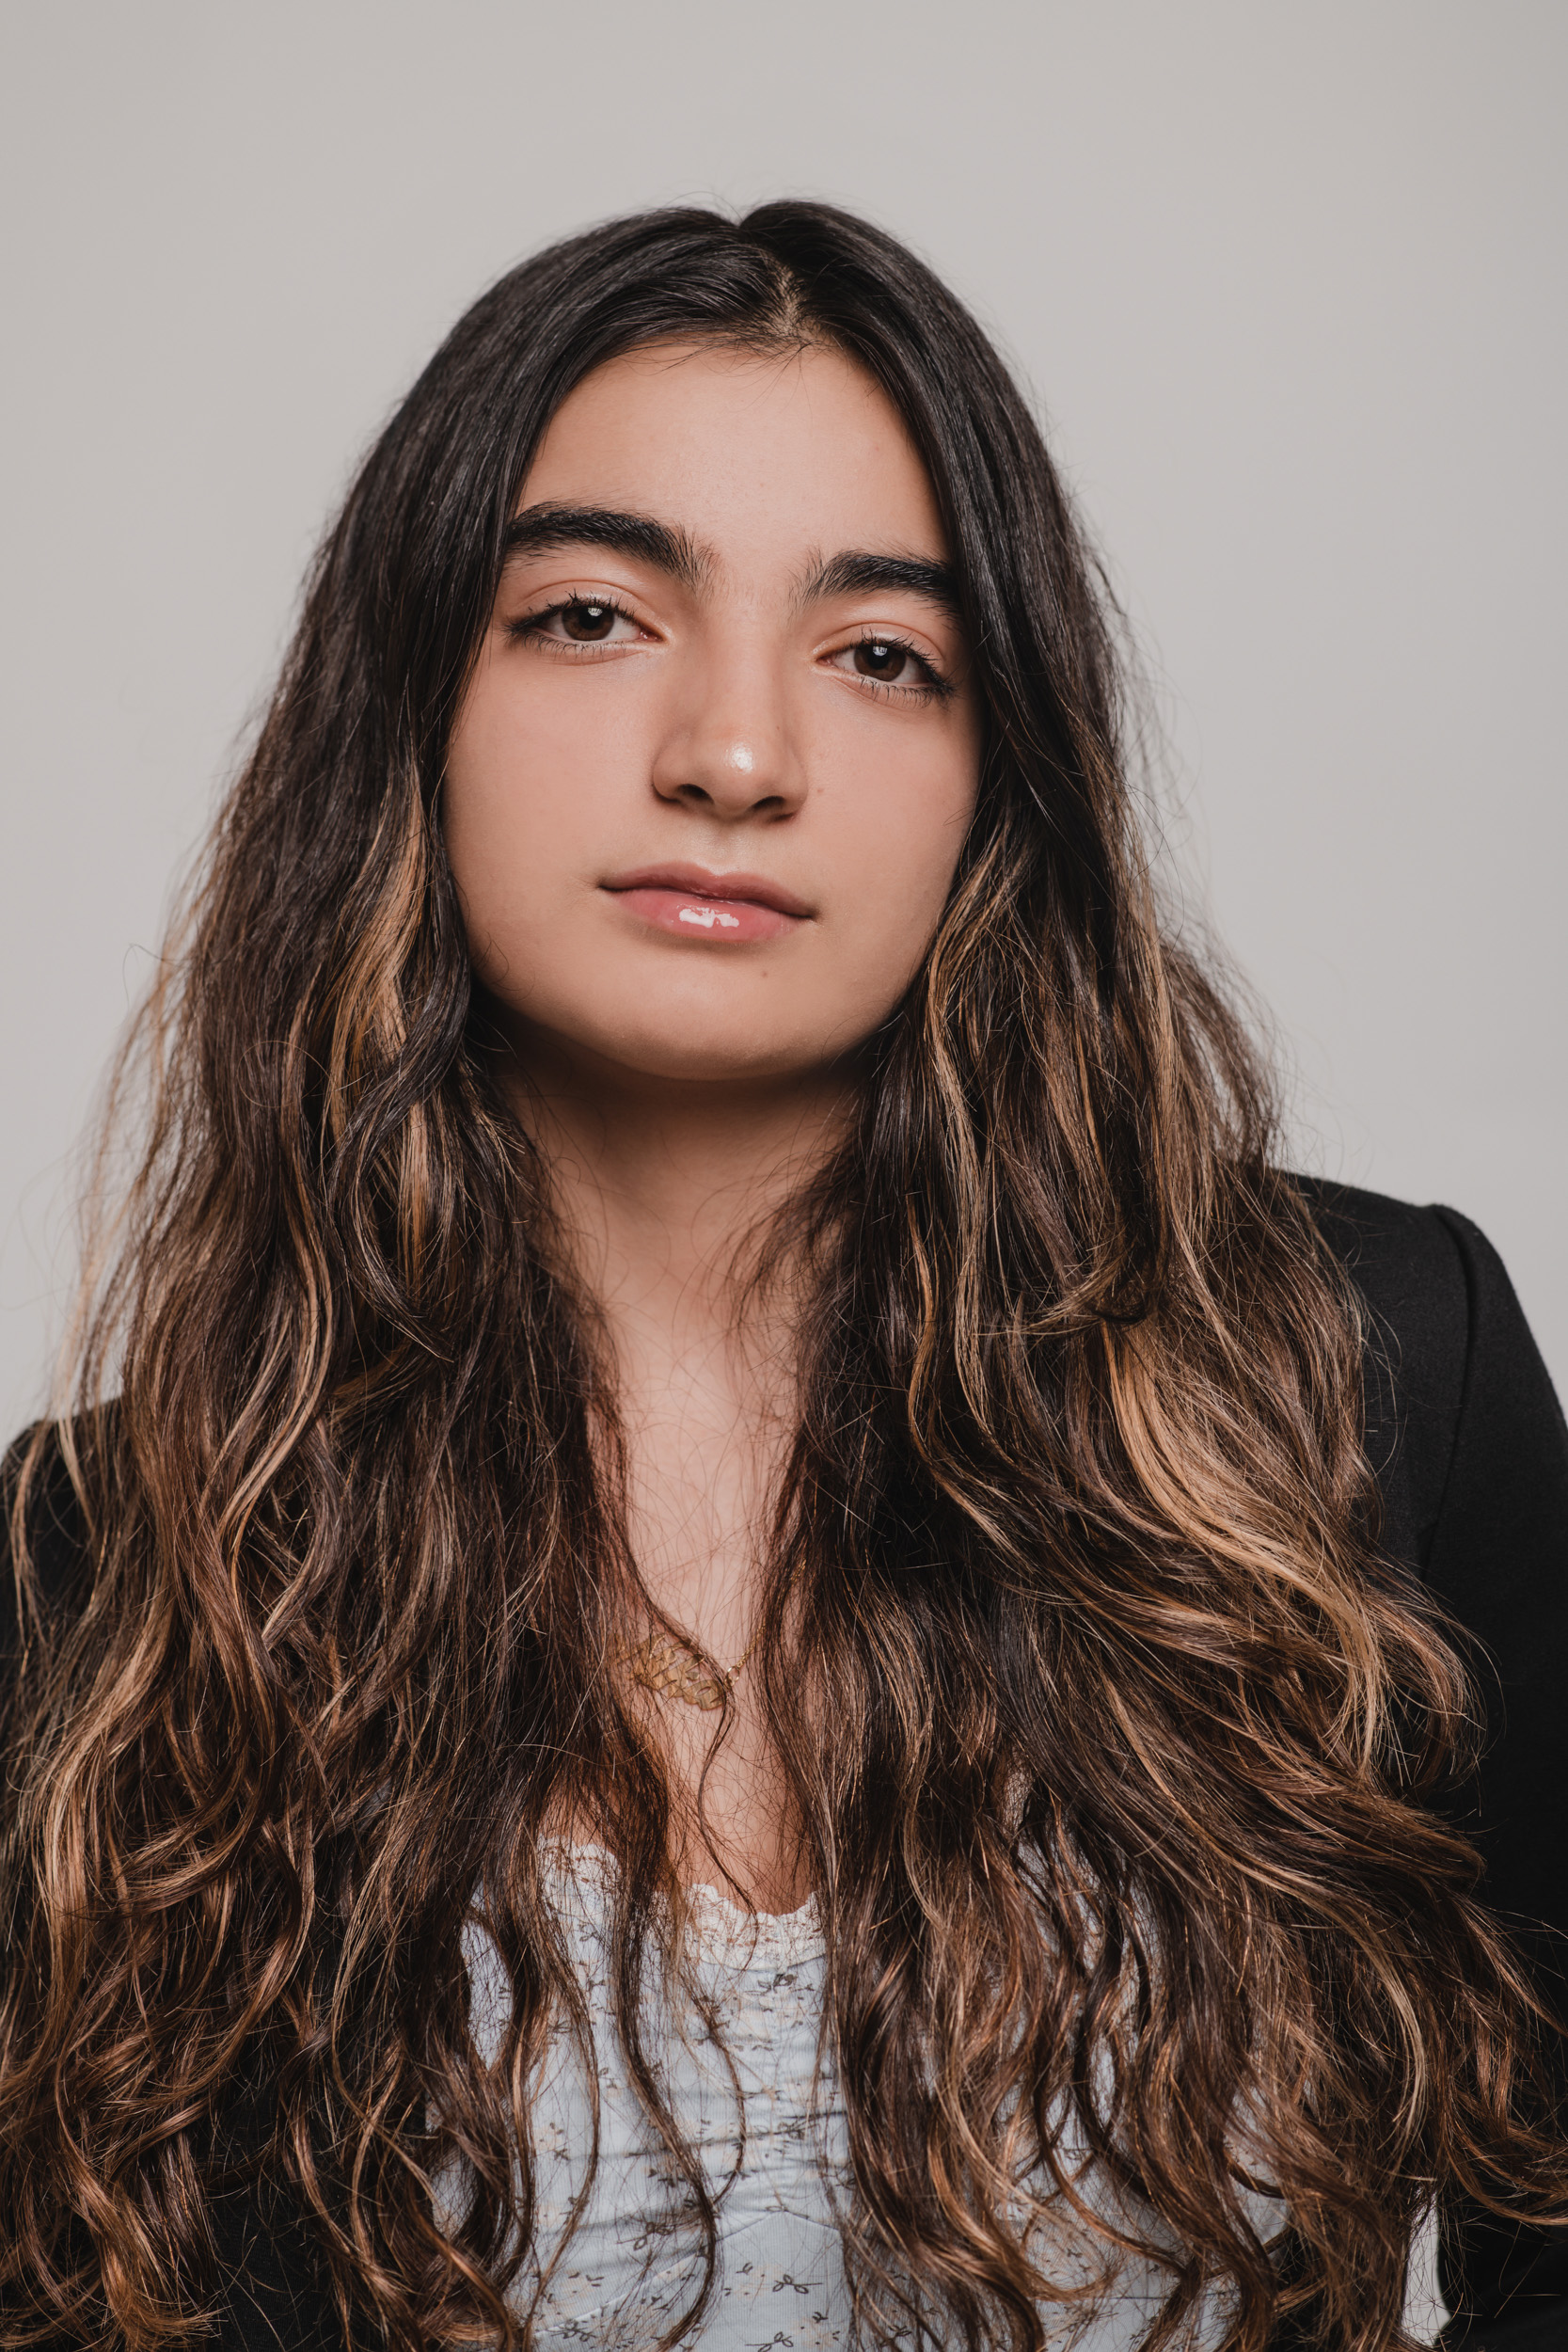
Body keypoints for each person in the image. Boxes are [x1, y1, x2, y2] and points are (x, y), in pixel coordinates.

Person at [2, 201, 1564, 2352]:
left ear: (998, 776)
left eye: (883, 653)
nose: (735, 757)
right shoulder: (93, 1571)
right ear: (411, 707)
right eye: (589, 615)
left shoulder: (1377, 1379)